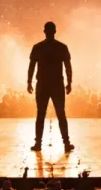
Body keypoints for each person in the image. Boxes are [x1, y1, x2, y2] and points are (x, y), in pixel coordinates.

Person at [26, 21, 74, 153]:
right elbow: (68, 67)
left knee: (40, 114)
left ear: (44, 31)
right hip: (57, 84)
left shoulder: (38, 47)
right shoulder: (62, 47)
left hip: (42, 84)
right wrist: (69, 82)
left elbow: (31, 66)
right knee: (61, 114)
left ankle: (38, 143)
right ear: (55, 31)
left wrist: (29, 82)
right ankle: (66, 143)